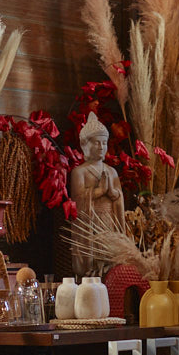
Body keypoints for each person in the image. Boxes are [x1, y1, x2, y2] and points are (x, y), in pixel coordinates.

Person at [69, 112, 126, 276]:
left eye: (104, 143)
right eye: (96, 143)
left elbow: (119, 197)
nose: (101, 147)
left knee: (110, 260)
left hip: (109, 221)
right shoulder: (79, 172)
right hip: (90, 222)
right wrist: (99, 191)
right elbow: (78, 200)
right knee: (93, 263)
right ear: (85, 145)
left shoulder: (111, 171)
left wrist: (112, 193)